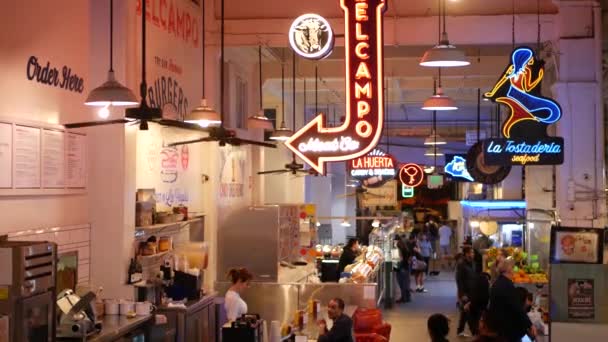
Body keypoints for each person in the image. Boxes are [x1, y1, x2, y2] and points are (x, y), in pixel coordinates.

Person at [488, 258, 534, 342]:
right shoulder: (507, 286)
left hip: (499, 326)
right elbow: (517, 308)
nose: (514, 271)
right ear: (509, 270)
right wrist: (530, 325)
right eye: (513, 268)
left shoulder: (498, 283)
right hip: (508, 329)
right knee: (527, 339)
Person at [455, 247, 476, 337]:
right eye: (471, 252)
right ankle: (474, 332)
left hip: (470, 290)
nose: (473, 254)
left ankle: (460, 330)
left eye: (473, 252)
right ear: (466, 254)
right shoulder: (461, 264)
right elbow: (459, 280)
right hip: (465, 292)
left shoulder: (472, 263)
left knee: (465, 311)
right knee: (468, 312)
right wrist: (462, 294)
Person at [395, 235, 412, 303]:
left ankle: (404, 298)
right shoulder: (405, 247)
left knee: (402, 283)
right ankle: (407, 297)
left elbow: (400, 258)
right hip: (406, 267)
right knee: (406, 283)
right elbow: (409, 257)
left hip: (401, 268)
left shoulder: (399, 248)